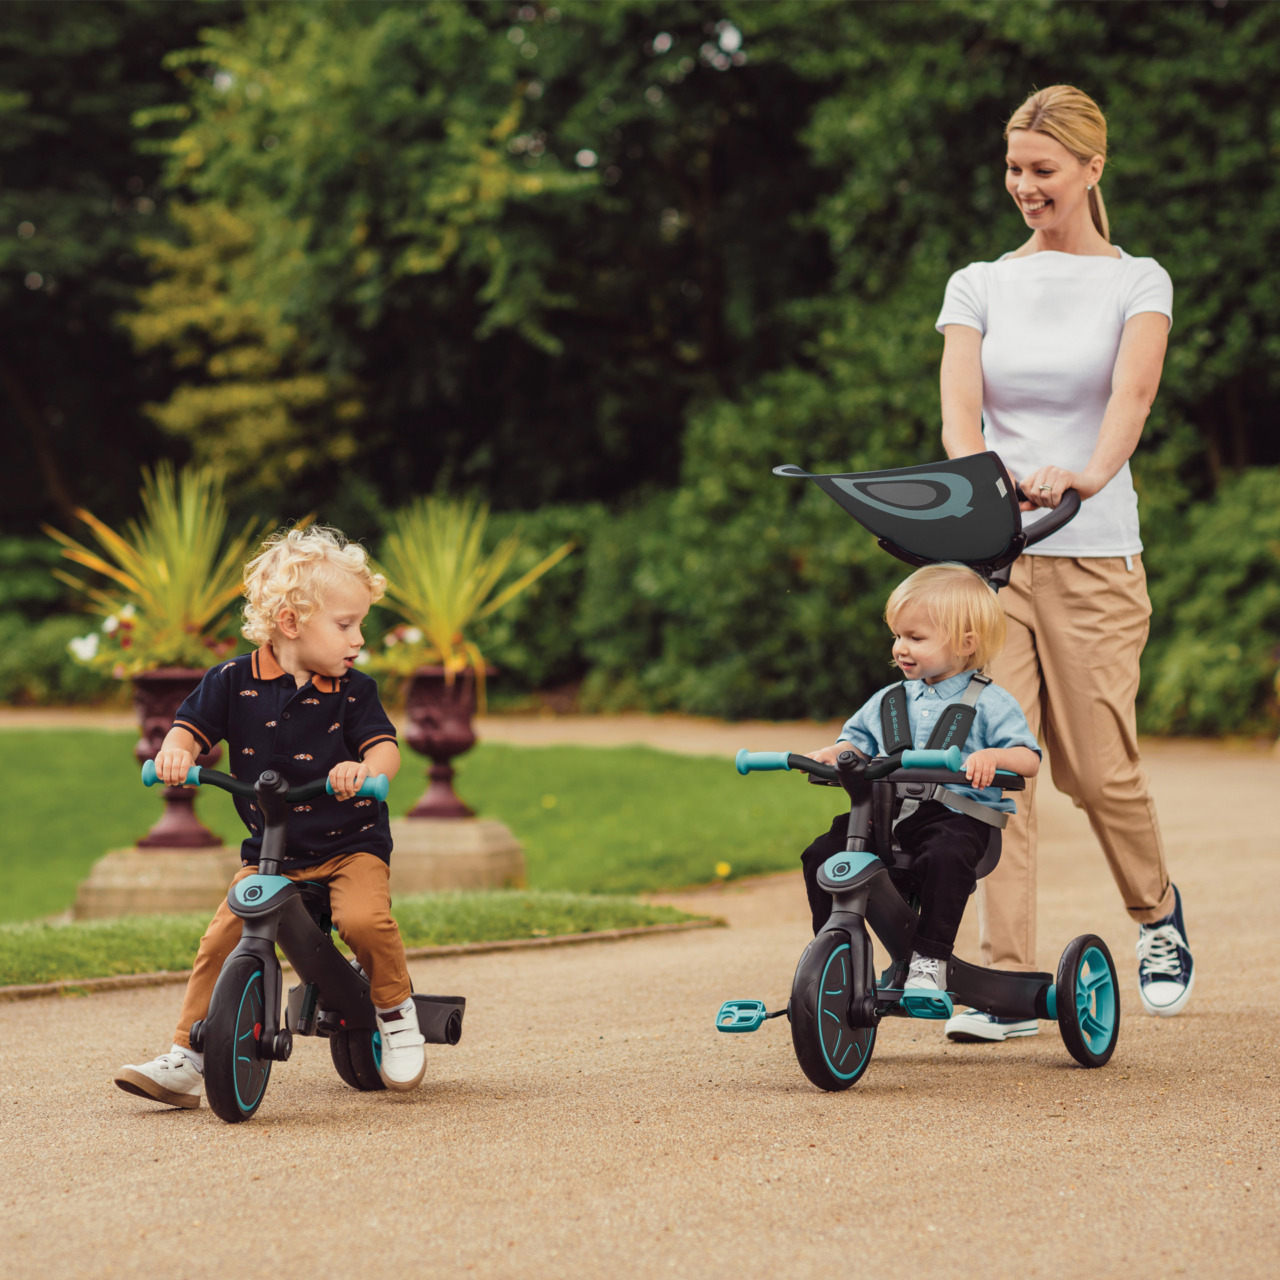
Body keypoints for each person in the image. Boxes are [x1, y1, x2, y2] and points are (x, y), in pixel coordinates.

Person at [936, 84, 1193, 1043]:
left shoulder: (1139, 281)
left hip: (1093, 554)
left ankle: (1156, 915)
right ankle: (1004, 986)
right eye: (1014, 169)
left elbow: (1132, 397)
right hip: (997, 566)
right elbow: (963, 415)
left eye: (1043, 170)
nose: (1024, 187)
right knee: (995, 770)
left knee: (1097, 771)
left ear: (1091, 168)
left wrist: (1083, 475)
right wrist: (988, 480)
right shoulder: (979, 284)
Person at [114, 524, 426, 1108]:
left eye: (360, 624)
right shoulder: (232, 682)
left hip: (349, 844)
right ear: (290, 623)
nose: (358, 639)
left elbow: (386, 748)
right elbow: (189, 728)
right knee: (220, 940)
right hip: (271, 853)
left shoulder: (352, 691)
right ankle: (188, 1056)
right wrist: (178, 752)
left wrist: (364, 770)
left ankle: (395, 1012)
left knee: (363, 922)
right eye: (345, 624)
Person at [800, 564, 1040, 1001]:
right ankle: (835, 951)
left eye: (916, 638)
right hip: (886, 817)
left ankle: (931, 960)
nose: (901, 648)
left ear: (967, 643)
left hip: (958, 819)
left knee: (946, 855)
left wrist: (992, 757)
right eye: (897, 635)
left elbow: (1028, 759)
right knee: (821, 854)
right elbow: (853, 743)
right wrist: (834, 755)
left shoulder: (989, 702)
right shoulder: (890, 700)